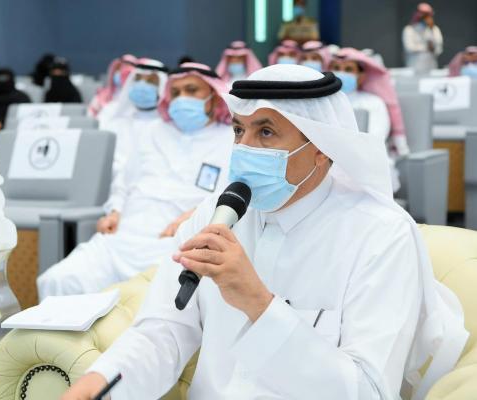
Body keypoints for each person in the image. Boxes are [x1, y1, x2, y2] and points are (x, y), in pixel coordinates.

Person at [62, 65, 467, 400]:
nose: (245, 148)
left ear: (321, 148)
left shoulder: (380, 235)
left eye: (266, 132)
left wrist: (258, 303)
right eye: (239, 131)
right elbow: (164, 332)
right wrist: (98, 385)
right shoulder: (215, 215)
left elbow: (367, 390)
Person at [37, 63, 234, 298]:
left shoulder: (230, 139)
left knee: (148, 298)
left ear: (214, 95)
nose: (182, 98)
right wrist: (114, 211)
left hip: (178, 243)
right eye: (175, 92)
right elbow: (123, 183)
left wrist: (195, 216)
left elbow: (230, 195)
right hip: (123, 237)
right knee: (58, 280)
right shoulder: (151, 131)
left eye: (192, 90)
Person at [330, 48, 410, 192]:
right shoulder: (325, 103)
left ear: (361, 76)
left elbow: (375, 139)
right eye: (336, 68)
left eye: (348, 69)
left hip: (366, 162)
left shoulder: (373, 103)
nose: (340, 73)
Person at [99, 58, 168, 180]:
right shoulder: (115, 125)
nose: (142, 85)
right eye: (138, 79)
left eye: (151, 81)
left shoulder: (168, 130)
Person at [402, 3, 443, 74]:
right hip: (414, 67)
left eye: (427, 15)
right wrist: (426, 48)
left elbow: (438, 49)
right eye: (423, 15)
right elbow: (409, 48)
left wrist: (431, 30)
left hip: (430, 67)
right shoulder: (409, 29)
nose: (425, 18)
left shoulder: (434, 29)